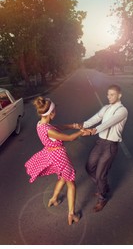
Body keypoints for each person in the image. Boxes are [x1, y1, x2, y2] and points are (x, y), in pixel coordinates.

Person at [25, 96, 87, 225]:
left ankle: (53, 199)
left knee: (62, 178)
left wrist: (72, 125)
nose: (56, 112)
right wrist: (81, 132)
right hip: (59, 157)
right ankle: (71, 214)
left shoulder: (41, 124)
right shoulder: (49, 130)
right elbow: (69, 138)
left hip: (51, 154)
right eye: (55, 110)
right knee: (71, 183)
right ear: (51, 113)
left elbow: (57, 127)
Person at [74, 85, 128, 212]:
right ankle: (103, 186)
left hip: (110, 146)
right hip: (100, 143)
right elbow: (96, 118)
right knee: (89, 167)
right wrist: (82, 125)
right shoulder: (106, 108)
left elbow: (108, 123)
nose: (109, 97)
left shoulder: (122, 110)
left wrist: (93, 131)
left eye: (112, 94)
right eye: (108, 94)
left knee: (100, 175)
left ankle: (102, 197)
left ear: (119, 95)